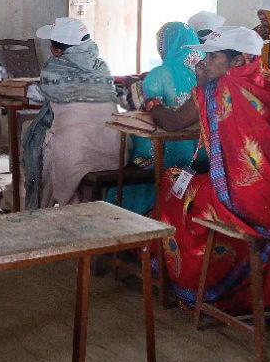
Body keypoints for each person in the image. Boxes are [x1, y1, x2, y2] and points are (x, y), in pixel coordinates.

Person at [154, 27, 270, 311]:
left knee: (173, 188)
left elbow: (172, 123)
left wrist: (152, 105)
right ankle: (252, 284)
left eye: (212, 57)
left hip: (246, 203)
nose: (204, 63)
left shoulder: (216, 88)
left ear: (237, 61)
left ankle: (198, 285)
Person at [22, 17, 118, 209]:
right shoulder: (102, 67)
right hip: (115, 149)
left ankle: (35, 205)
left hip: (75, 152)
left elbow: (37, 95)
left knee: (32, 136)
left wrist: (23, 89)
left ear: (57, 50)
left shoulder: (54, 68)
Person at [110, 22, 204, 214]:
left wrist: (138, 91)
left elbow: (146, 107)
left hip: (166, 153)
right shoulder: (204, 72)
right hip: (200, 154)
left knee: (133, 135)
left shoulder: (161, 74)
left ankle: (136, 211)